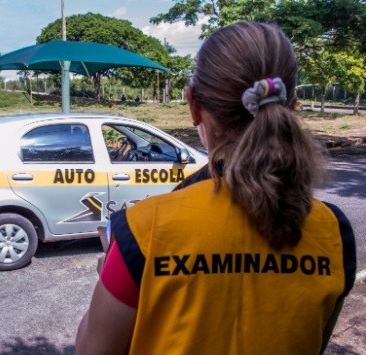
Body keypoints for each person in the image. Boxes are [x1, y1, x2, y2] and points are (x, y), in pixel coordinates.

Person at [75, 21, 356, 354]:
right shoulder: (335, 234)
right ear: (292, 104)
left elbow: (92, 350)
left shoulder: (142, 231)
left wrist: (108, 270)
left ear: (194, 104)